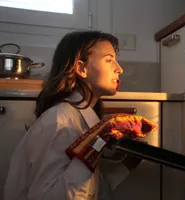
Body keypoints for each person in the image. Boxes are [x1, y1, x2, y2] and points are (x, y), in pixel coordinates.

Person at [3, 31, 141, 200]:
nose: (119, 69)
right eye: (109, 60)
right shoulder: (61, 121)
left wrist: (127, 164)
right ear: (81, 68)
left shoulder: (80, 118)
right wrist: (93, 145)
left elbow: (90, 189)